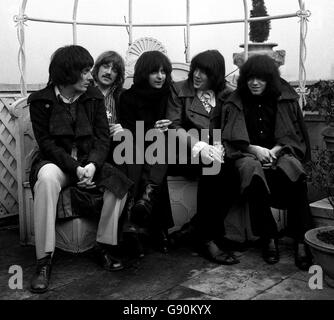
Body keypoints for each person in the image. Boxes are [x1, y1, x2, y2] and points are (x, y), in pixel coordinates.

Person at [28, 45, 132, 293]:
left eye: (89, 71)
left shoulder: (94, 97)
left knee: (119, 184)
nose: (90, 76)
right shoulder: (40, 101)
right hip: (58, 164)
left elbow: (102, 138)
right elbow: (47, 144)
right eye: (85, 71)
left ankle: (102, 245)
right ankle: (44, 260)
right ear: (68, 73)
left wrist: (93, 166)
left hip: (89, 163)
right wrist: (76, 169)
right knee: (46, 179)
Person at [221, 54, 313, 269]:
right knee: (253, 176)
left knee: (295, 175)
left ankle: (301, 240)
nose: (254, 83)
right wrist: (255, 150)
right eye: (251, 78)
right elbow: (229, 137)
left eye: (260, 78)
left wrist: (274, 151)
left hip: (281, 152)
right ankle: (269, 237)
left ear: (269, 79)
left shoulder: (283, 99)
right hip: (247, 154)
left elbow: (294, 134)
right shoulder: (236, 101)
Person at [166, 49, 240, 265]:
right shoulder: (179, 89)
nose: (197, 75)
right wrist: (199, 146)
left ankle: (195, 229)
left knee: (233, 176)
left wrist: (222, 146)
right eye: (195, 69)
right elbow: (174, 126)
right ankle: (208, 238)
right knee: (213, 168)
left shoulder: (227, 94)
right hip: (182, 152)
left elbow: (232, 126)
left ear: (216, 75)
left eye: (204, 72)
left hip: (215, 153)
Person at [119, 50, 174, 254]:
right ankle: (157, 225)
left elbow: (180, 121)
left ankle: (135, 222)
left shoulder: (169, 95)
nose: (160, 76)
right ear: (144, 73)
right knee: (144, 163)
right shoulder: (128, 97)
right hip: (136, 147)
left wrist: (169, 126)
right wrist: (151, 131)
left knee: (159, 145)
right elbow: (127, 131)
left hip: (166, 148)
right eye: (154, 72)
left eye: (163, 72)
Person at [92, 50, 125, 138]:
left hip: (115, 143)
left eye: (114, 70)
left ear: (118, 75)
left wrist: (124, 129)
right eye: (106, 67)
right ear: (98, 68)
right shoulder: (85, 92)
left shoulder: (123, 95)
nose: (109, 72)